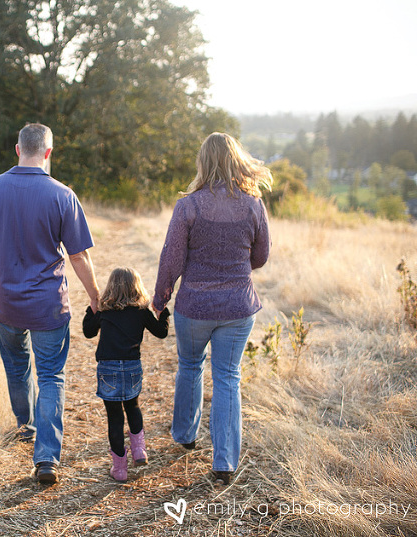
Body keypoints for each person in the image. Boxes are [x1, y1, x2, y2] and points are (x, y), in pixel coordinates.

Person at [0, 123, 100, 485]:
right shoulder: (62, 195)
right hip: (48, 306)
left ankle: (26, 427)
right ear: (48, 153)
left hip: (5, 302)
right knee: (51, 375)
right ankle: (47, 457)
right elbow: (79, 257)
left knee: (16, 366)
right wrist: (97, 297)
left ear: (17, 149)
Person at [152, 132, 272, 486]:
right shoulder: (253, 205)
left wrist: (160, 299)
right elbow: (261, 257)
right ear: (236, 161)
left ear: (203, 162)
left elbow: (171, 258)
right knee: (227, 377)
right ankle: (224, 463)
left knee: (189, 366)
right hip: (238, 306)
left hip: (194, 306)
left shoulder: (188, 205)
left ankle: (185, 436)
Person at [83, 267, 169, 482]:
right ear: (136, 287)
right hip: (131, 367)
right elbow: (161, 332)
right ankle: (139, 451)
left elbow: (88, 332)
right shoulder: (140, 312)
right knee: (133, 406)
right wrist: (163, 314)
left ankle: (119, 469)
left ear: (111, 287)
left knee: (114, 417)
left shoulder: (105, 311)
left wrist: (91, 310)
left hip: (108, 368)